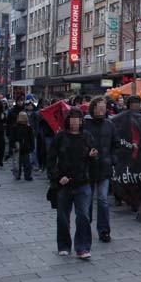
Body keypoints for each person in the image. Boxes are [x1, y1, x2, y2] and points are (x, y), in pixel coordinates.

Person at [48, 108, 98, 258]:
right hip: (64, 183)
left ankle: (82, 247)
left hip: (82, 182)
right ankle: (63, 245)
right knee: (63, 217)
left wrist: (92, 156)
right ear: (68, 120)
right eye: (73, 119)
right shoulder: (61, 137)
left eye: (78, 119)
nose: (76, 122)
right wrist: (58, 177)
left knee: (83, 216)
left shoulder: (87, 136)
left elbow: (93, 160)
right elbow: (51, 159)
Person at [84, 96, 119, 243]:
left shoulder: (110, 125)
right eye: (99, 108)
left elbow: (115, 144)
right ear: (93, 108)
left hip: (104, 166)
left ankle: (104, 230)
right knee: (87, 200)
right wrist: (87, 153)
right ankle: (86, 228)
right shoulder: (85, 124)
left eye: (103, 108)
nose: (101, 111)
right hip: (88, 167)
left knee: (103, 199)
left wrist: (112, 159)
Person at [12, 112, 35, 181]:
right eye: (21, 117)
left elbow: (31, 138)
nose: (22, 119)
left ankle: (27, 176)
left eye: (24, 117)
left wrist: (32, 147)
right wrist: (13, 145)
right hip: (17, 148)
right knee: (17, 164)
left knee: (27, 163)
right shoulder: (15, 127)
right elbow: (12, 138)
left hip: (26, 148)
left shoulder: (28, 127)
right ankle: (17, 175)